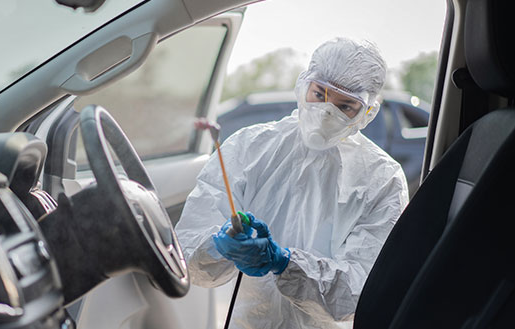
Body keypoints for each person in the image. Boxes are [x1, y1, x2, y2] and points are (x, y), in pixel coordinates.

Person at [174, 38, 409, 329]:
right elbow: (187, 252)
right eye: (319, 93)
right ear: (303, 85)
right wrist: (220, 244)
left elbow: (361, 290)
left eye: (345, 105)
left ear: (367, 113)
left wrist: (285, 264)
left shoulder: (382, 179)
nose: (326, 112)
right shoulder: (249, 148)